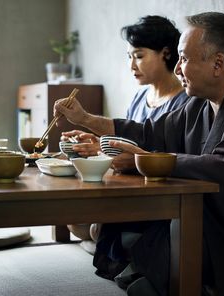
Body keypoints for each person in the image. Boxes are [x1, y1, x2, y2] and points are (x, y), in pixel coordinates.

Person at [54, 12, 224, 296]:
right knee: (123, 223)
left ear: (218, 63)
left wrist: (141, 161)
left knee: (162, 239)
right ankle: (155, 274)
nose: (177, 70)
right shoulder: (197, 106)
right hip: (209, 218)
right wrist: (84, 119)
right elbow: (148, 132)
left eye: (183, 59)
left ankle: (169, 279)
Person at [64, 16, 188, 253]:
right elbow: (125, 144)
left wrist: (104, 149)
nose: (132, 66)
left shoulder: (185, 102)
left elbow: (169, 156)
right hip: (124, 185)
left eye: (139, 56)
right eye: (129, 57)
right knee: (74, 222)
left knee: (93, 230)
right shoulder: (140, 98)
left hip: (154, 195)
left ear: (165, 53)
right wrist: (97, 143)